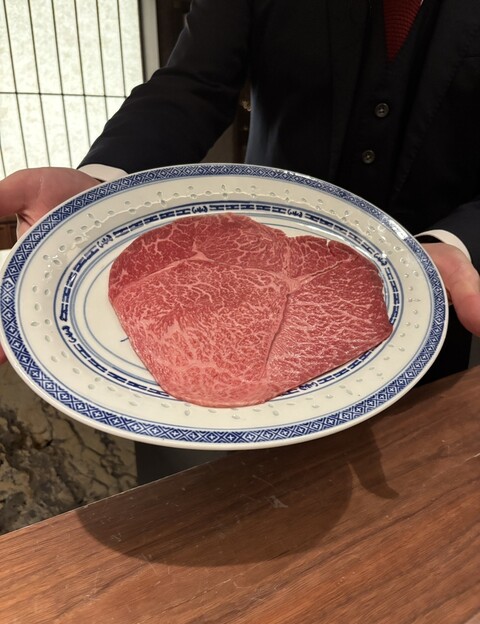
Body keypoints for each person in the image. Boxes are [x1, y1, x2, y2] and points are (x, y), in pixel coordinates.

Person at [0, 0, 479, 478]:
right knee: (215, 494)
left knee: (416, 491)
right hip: (238, 267)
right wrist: (105, 190)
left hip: (433, 307)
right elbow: (194, 82)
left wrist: (459, 241)